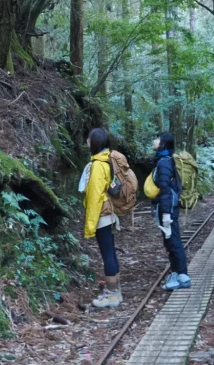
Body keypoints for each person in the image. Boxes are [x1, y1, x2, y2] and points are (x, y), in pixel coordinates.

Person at [81, 127, 122, 308]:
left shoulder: (98, 165)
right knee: (110, 252)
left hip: (102, 215)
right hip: (109, 213)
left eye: (89, 139)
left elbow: (95, 196)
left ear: (94, 142)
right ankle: (115, 291)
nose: (87, 142)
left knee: (107, 254)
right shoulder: (106, 161)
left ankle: (112, 294)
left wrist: (90, 225)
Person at [152, 132, 190, 290]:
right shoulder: (162, 160)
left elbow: (166, 190)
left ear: (163, 144)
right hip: (167, 207)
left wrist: (166, 214)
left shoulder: (164, 162)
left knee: (173, 241)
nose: (154, 141)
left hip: (168, 208)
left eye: (157, 138)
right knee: (170, 241)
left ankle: (182, 276)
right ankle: (176, 274)